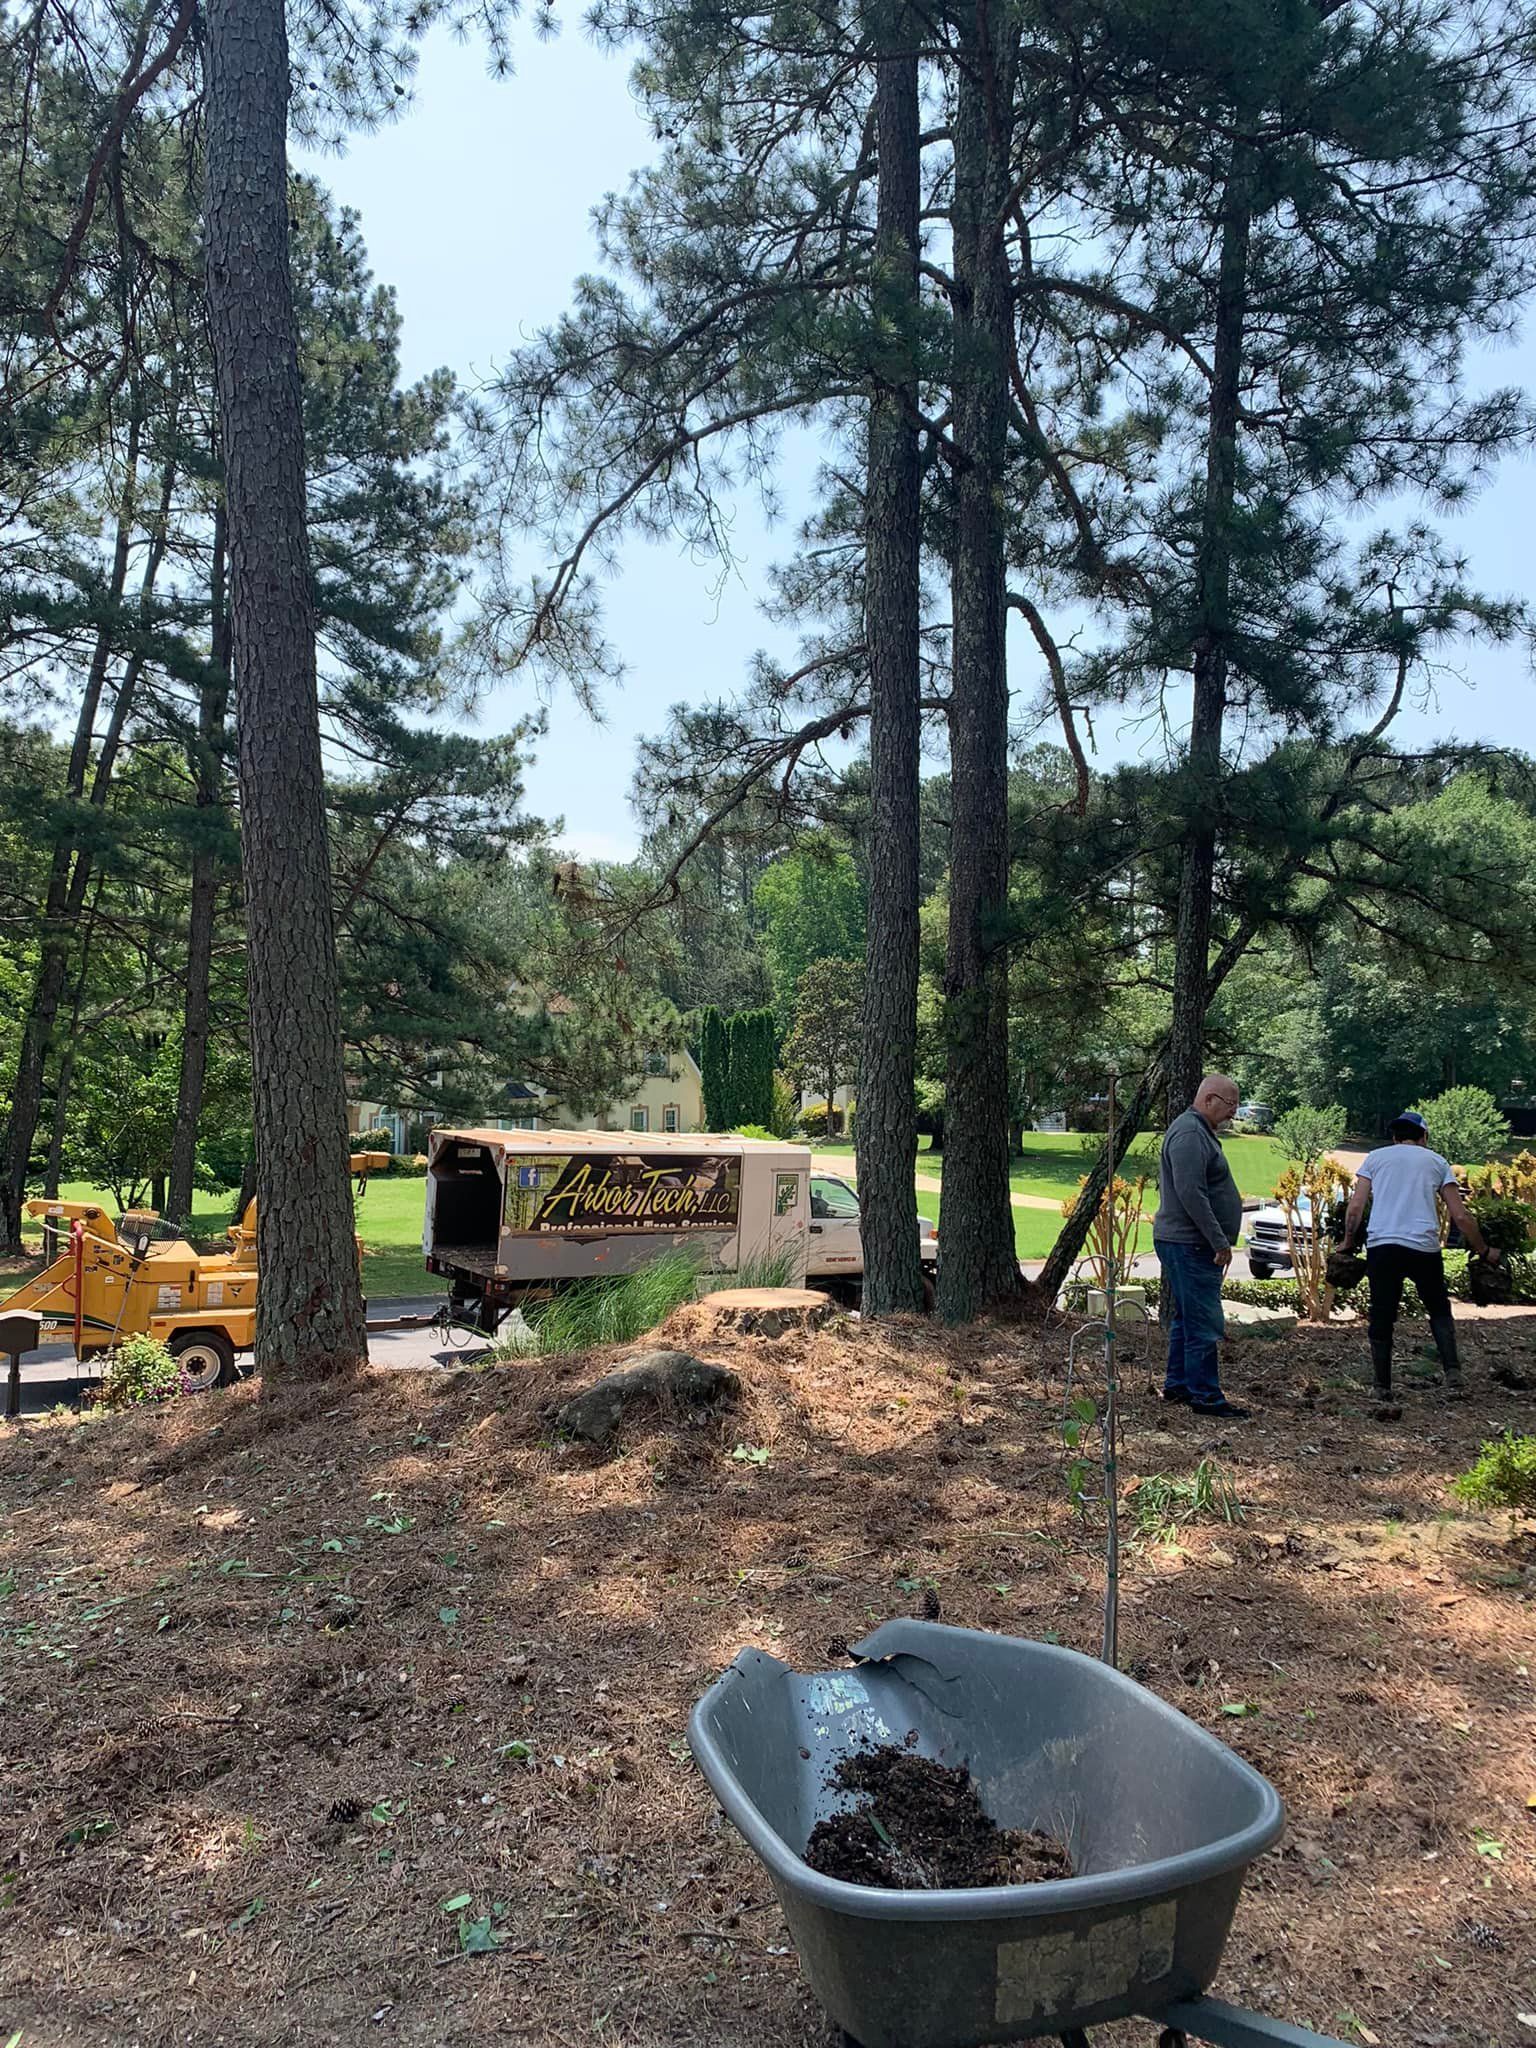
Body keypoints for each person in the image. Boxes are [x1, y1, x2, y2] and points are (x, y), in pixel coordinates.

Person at [1339, 1109, 1499, 1404]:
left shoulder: (1375, 1158)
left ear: (1394, 1136)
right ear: (1424, 1136)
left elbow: (1355, 1207)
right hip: (1423, 1246)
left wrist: (1348, 1242)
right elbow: (1460, 1216)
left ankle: (1382, 1385)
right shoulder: (1437, 1162)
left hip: (1382, 1245)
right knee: (1438, 1308)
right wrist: (1484, 1251)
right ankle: (1453, 1373)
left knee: (1382, 1313)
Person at [1153, 1074, 1248, 1419]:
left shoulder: (1196, 1131)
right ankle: (1206, 1397)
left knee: (1188, 1318)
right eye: (1230, 1104)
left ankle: (1179, 1385)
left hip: (1189, 1243)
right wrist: (1218, 1240)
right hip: (1190, 1244)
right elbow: (1191, 1193)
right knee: (1204, 1322)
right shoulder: (1191, 1134)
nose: (1234, 1113)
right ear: (1209, 1099)